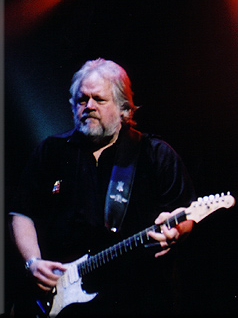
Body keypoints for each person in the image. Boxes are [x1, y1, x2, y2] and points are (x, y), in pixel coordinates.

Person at [8, 58, 196, 316]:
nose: (89, 106)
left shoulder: (155, 155)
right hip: (57, 302)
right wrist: (33, 262)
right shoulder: (51, 152)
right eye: (82, 100)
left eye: (99, 99)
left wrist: (177, 229)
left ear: (124, 109)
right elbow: (21, 213)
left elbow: (184, 213)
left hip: (136, 301)